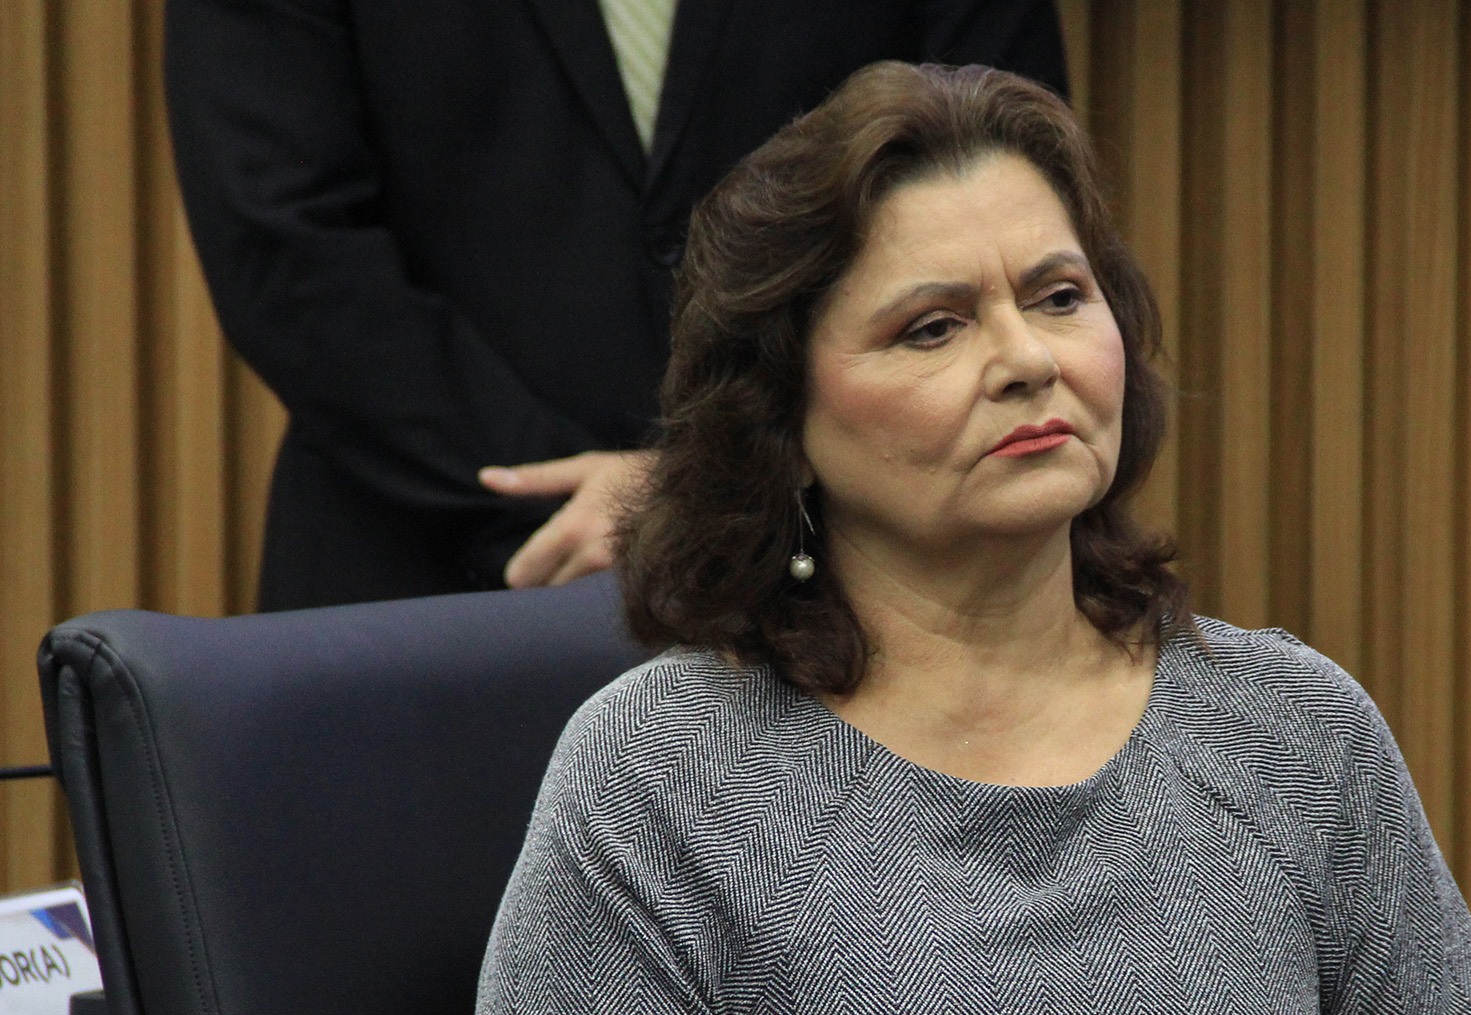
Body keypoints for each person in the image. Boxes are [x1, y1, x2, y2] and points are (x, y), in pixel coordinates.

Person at [455, 62, 1471, 1015]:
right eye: (931, 327)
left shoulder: (1294, 729)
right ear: (781, 416)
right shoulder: (662, 770)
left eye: (1060, 297)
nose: (1028, 359)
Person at [165, 0, 1067, 610]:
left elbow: (999, 164)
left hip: (843, 575)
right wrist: (595, 492)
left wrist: (726, 480)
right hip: (430, 580)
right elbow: (281, 241)